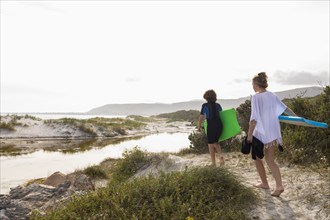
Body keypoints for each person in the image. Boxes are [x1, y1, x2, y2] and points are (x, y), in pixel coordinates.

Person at [247, 72, 297, 197]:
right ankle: (278, 185)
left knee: (257, 158)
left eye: (253, 84)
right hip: (273, 132)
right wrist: (297, 117)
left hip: (260, 132)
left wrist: (249, 135)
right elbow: (285, 109)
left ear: (257, 84)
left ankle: (265, 183)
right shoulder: (272, 95)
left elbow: (253, 119)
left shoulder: (255, 97)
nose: (252, 86)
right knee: (270, 160)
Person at [198, 89, 224, 166]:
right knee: (216, 142)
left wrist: (199, 126)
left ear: (206, 97)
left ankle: (213, 163)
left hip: (211, 125)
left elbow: (201, 117)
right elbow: (222, 115)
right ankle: (220, 155)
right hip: (219, 125)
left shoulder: (205, 106)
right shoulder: (218, 105)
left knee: (210, 144)